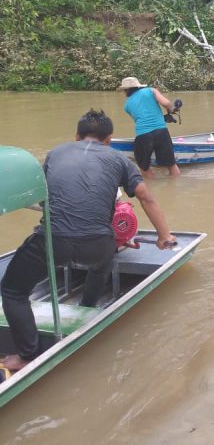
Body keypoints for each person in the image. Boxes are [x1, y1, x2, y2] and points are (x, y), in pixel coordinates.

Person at [0, 110, 175, 372]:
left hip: (54, 241)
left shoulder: (57, 152)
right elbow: (146, 198)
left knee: (13, 290)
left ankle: (26, 353)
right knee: (100, 266)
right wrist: (164, 236)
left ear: (77, 135)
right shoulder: (119, 159)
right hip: (98, 245)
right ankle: (88, 309)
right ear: (109, 139)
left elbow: (46, 194)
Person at [119, 76, 180, 179]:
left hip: (143, 135)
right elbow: (167, 103)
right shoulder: (151, 91)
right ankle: (175, 187)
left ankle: (153, 188)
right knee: (171, 164)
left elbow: (140, 118)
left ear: (125, 90)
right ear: (138, 86)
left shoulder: (127, 105)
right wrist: (170, 110)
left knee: (144, 168)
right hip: (161, 132)